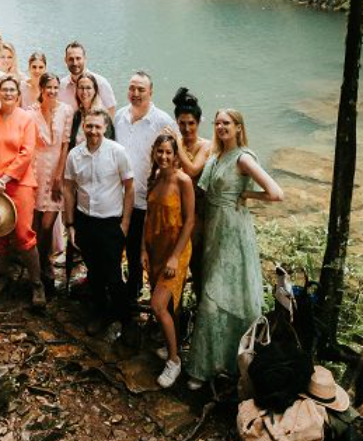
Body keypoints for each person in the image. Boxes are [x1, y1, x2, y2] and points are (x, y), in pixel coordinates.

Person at [186, 109, 284, 390]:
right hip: (214, 231)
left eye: (226, 123)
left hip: (234, 231)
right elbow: (200, 186)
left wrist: (247, 194)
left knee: (221, 296)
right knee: (214, 290)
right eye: (217, 123)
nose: (220, 127)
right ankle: (217, 363)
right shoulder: (216, 156)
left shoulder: (243, 158)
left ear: (239, 127)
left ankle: (210, 368)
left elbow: (276, 193)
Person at [0, 75, 45, 308]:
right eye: (4, 90)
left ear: (18, 94)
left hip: (18, 183)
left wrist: (4, 178)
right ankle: (3, 276)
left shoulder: (26, 120)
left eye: (13, 90)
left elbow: (27, 152)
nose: (9, 93)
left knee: (23, 234)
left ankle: (37, 284)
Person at [63, 109, 135, 336]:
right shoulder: (75, 155)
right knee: (93, 272)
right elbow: (68, 188)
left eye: (97, 127)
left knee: (113, 275)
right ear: (83, 127)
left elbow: (130, 188)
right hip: (85, 221)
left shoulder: (117, 152)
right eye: (89, 126)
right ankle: (100, 314)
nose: (93, 131)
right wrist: (71, 225)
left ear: (105, 128)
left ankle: (127, 321)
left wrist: (124, 223)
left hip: (110, 222)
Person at [114, 71, 174, 306]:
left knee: (142, 254)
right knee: (121, 249)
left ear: (151, 92)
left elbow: (174, 157)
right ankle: (126, 296)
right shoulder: (119, 116)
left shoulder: (163, 121)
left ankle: (148, 299)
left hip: (147, 200)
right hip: (118, 199)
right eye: (132, 88)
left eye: (141, 89)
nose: (136, 94)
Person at [141, 133, 194, 388]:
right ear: (155, 153)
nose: (163, 156)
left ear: (175, 156)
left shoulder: (183, 181)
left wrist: (174, 257)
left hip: (177, 250)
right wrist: (142, 250)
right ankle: (169, 344)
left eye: (168, 152)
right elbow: (148, 218)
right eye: (159, 151)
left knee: (158, 305)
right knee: (167, 307)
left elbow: (190, 221)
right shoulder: (154, 179)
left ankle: (174, 360)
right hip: (155, 248)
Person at [30, 73, 73, 295]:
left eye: (56, 87)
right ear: (41, 88)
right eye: (49, 87)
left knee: (47, 226)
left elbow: (65, 144)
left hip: (56, 169)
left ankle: (45, 266)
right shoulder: (30, 112)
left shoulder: (66, 111)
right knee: (35, 226)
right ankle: (38, 273)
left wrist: (59, 175)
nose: (53, 91)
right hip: (35, 170)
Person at [172, 88, 211, 299]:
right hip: (176, 210)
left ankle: (199, 304)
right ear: (177, 122)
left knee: (198, 263)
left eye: (191, 123)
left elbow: (193, 170)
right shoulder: (171, 144)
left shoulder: (206, 146)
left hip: (199, 212)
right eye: (182, 123)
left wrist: (177, 144)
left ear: (198, 123)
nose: (187, 128)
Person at [59, 41, 116, 116]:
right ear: (65, 60)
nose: (75, 63)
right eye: (71, 59)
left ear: (85, 59)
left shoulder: (101, 83)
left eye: (78, 58)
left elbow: (111, 113)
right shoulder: (61, 85)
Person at [69, 72, 114, 147]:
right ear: (77, 90)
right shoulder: (77, 115)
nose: (84, 92)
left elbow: (110, 143)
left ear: (95, 90)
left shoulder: (103, 116)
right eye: (81, 88)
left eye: (88, 88)